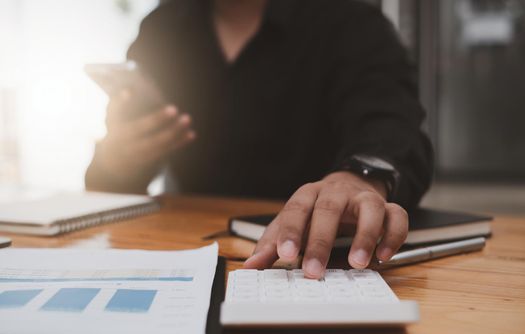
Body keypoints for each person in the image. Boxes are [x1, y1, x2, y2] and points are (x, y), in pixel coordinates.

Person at [85, 0, 433, 279]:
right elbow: (109, 181)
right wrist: (116, 161)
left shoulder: (352, 22)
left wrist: (359, 176)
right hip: (179, 250)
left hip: (312, 256)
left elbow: (392, 122)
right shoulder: (160, 28)